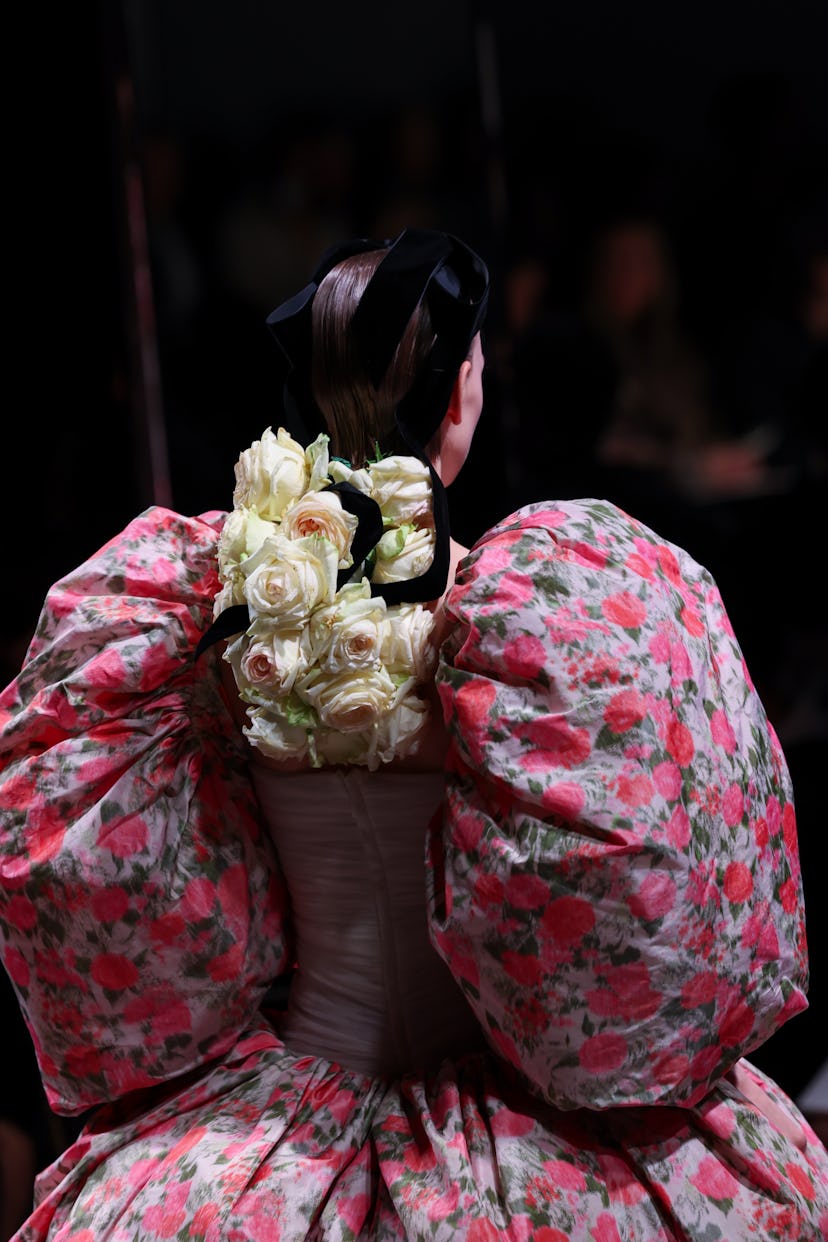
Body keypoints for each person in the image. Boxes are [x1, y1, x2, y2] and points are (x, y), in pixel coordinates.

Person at [1, 226, 826, 1241]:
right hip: (518, 1130)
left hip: (274, 1130)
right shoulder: (546, 629)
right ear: (461, 393)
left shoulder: (224, 620)